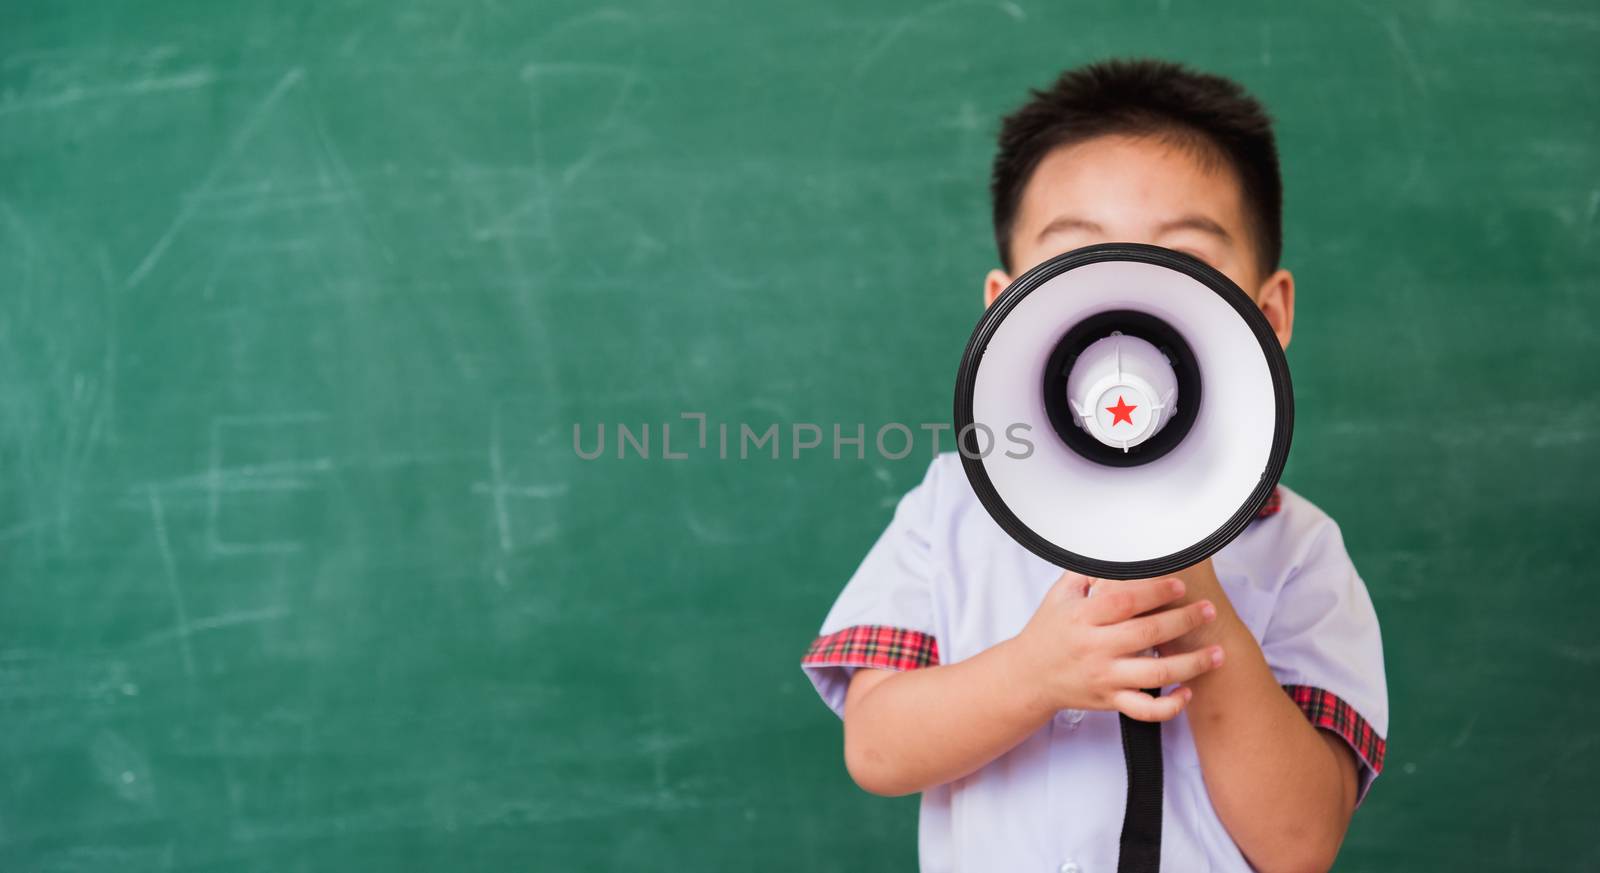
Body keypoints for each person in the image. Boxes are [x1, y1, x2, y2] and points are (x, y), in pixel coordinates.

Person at [800, 58, 1388, 873]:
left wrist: (1193, 575)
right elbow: (876, 747)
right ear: (1003, 307)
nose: (1129, 293)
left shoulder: (1301, 549)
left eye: (1184, 257)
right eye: (1077, 257)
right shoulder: (951, 510)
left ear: (1269, 313)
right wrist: (1034, 674)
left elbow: (1299, 843)